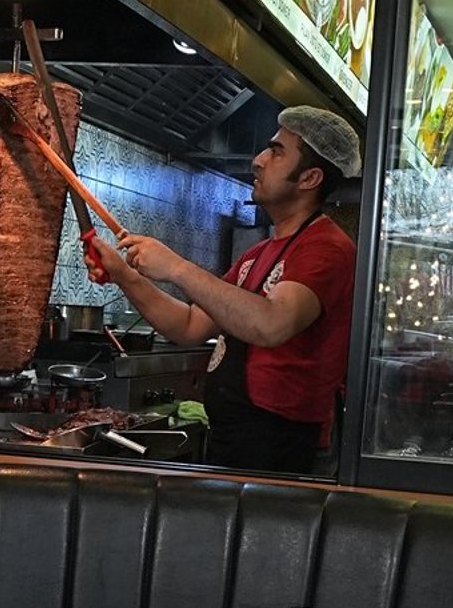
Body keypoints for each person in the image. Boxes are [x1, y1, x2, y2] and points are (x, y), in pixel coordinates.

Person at [89, 105, 359, 475]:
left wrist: (177, 267)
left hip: (283, 446)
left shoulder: (325, 247)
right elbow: (188, 325)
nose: (259, 160)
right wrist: (123, 273)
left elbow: (272, 325)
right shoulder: (259, 253)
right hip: (236, 438)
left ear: (310, 177)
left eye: (277, 151)